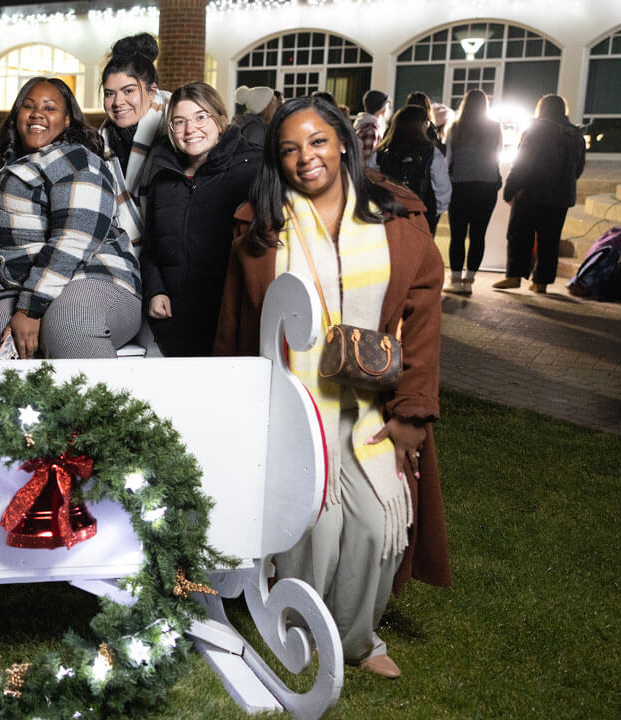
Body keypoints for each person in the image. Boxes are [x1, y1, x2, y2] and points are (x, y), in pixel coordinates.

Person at [214, 96, 450, 679]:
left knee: (375, 522)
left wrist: (414, 412)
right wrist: (239, 407)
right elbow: (236, 325)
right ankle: (298, 624)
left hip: (374, 402)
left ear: (343, 141)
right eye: (290, 148)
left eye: (317, 141)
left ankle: (357, 639)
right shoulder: (261, 228)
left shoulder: (396, 218)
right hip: (299, 404)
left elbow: (422, 321)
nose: (305, 157)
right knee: (315, 521)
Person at [0, 77, 141, 359]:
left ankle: (103, 404)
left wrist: (29, 308)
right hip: (23, 289)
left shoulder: (77, 160)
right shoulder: (3, 168)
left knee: (69, 324)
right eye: (29, 106)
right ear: (17, 117)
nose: (37, 113)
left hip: (95, 278)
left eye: (50, 108)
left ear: (66, 121)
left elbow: (76, 237)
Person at [142, 82, 262, 356]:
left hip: (230, 321)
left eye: (200, 117)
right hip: (176, 323)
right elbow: (151, 248)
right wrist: (155, 290)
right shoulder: (163, 180)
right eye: (179, 121)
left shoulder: (253, 169)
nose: (190, 129)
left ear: (220, 119)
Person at [495, 94, 586, 294]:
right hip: (560, 197)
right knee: (550, 240)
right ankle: (541, 282)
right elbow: (578, 168)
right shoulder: (575, 134)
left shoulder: (536, 130)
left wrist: (510, 190)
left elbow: (522, 163)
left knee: (519, 235)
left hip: (531, 193)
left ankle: (514, 276)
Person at [99, 33, 170, 250]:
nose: (118, 102)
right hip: (119, 256)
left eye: (129, 91)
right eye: (109, 93)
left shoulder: (178, 130)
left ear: (152, 91)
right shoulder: (100, 142)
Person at [444, 89, 502, 296]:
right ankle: (469, 281)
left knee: (457, 235)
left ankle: (455, 279)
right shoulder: (495, 128)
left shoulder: (455, 128)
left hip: (460, 185)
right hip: (486, 185)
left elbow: (448, 160)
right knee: (479, 234)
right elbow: (497, 156)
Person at [375, 105, 451, 234]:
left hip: (389, 214)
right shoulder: (431, 153)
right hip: (421, 214)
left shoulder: (383, 151)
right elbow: (443, 188)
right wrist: (435, 212)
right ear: (421, 125)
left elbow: (372, 181)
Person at [354, 89, 391, 168]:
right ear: (382, 109)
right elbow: (365, 163)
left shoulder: (363, 126)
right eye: (387, 107)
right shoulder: (372, 130)